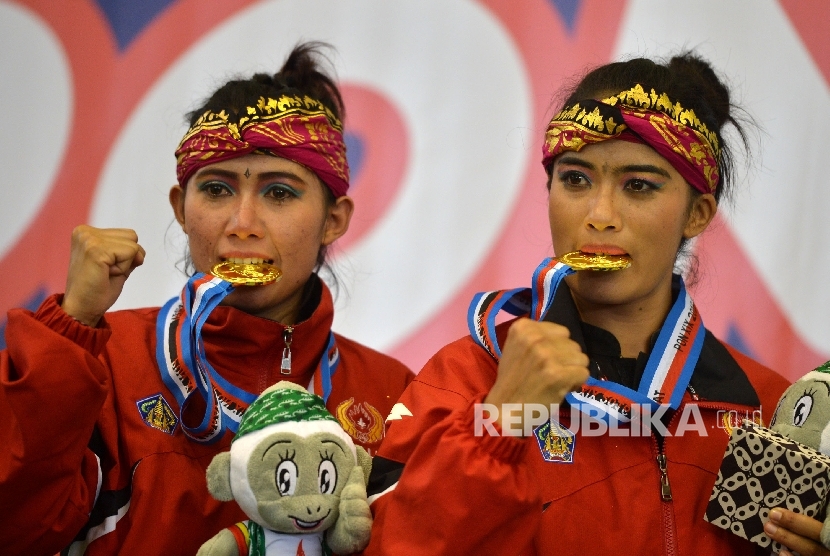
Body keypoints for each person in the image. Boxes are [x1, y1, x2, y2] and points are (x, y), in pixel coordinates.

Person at [363, 53, 803, 555]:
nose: (599, 214)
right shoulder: (464, 381)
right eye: (576, 179)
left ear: (696, 214)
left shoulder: (763, 409)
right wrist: (499, 424)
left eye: (638, 186)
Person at [0, 42, 413, 555]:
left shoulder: (393, 393)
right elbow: (16, 529)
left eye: (279, 192)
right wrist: (71, 327)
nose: (241, 225)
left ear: (334, 219)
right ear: (180, 207)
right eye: (216, 190)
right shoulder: (100, 362)